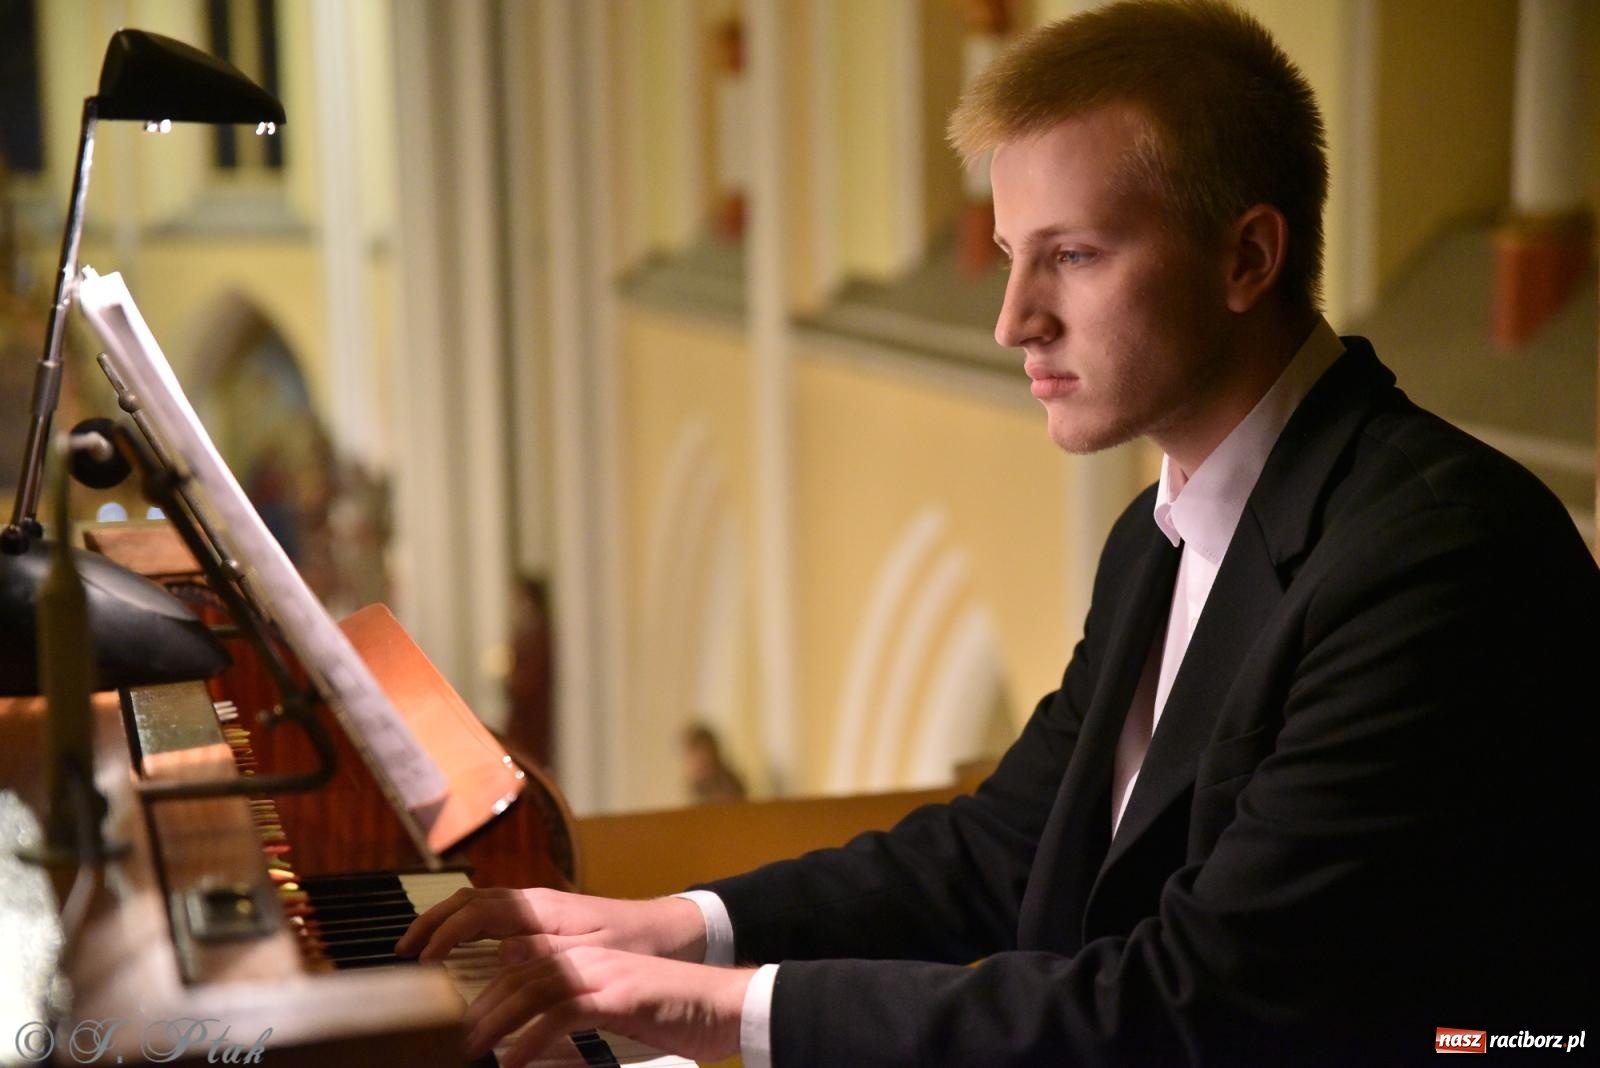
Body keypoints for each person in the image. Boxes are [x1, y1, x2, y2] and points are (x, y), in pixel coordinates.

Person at [396, 2, 1598, 1064]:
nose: (1014, 319)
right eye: (1016, 256)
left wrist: (716, 1011)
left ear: (1247, 256)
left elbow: (1205, 1005)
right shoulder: (1161, 530)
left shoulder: (1434, 560)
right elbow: (1008, 845)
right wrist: (673, 927)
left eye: (1071, 256)